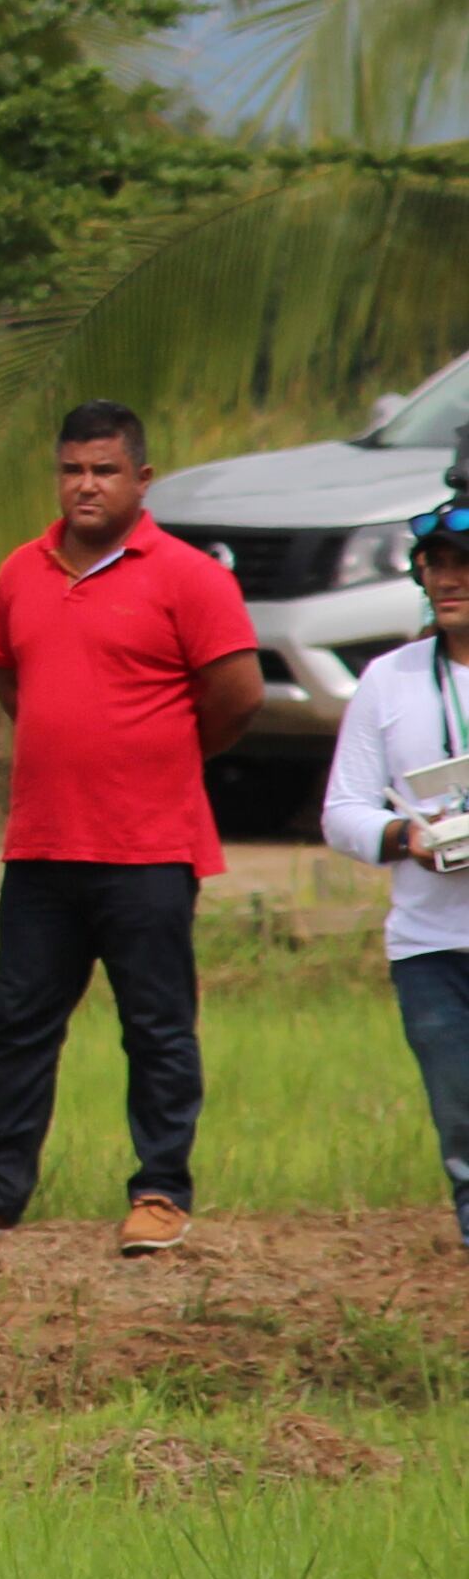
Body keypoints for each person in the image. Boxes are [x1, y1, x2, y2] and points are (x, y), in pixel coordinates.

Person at [0, 403, 266, 1255]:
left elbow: (238, 695)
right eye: (72, 469)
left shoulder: (188, 577)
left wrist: (169, 748)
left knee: (156, 1025)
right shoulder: (19, 573)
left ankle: (160, 1191)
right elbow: (11, 683)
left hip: (149, 845)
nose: (86, 486)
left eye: (105, 470)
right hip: (41, 845)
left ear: (142, 479)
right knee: (21, 1023)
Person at [321, 495, 469, 1254]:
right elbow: (341, 807)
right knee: (461, 1120)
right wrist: (400, 834)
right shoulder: (390, 679)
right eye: (436, 565)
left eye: (463, 564)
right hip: (431, 945)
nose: (448, 579)